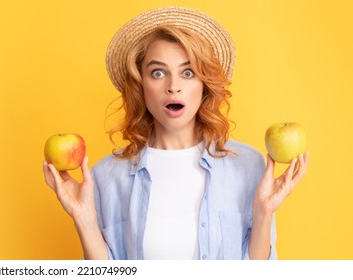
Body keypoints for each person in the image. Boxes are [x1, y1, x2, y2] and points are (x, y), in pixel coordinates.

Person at [42, 6, 309, 260]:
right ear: (141, 84)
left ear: (204, 85)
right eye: (158, 72)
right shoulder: (107, 175)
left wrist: (264, 213)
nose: (173, 87)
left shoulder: (247, 165)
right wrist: (83, 219)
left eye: (188, 72)